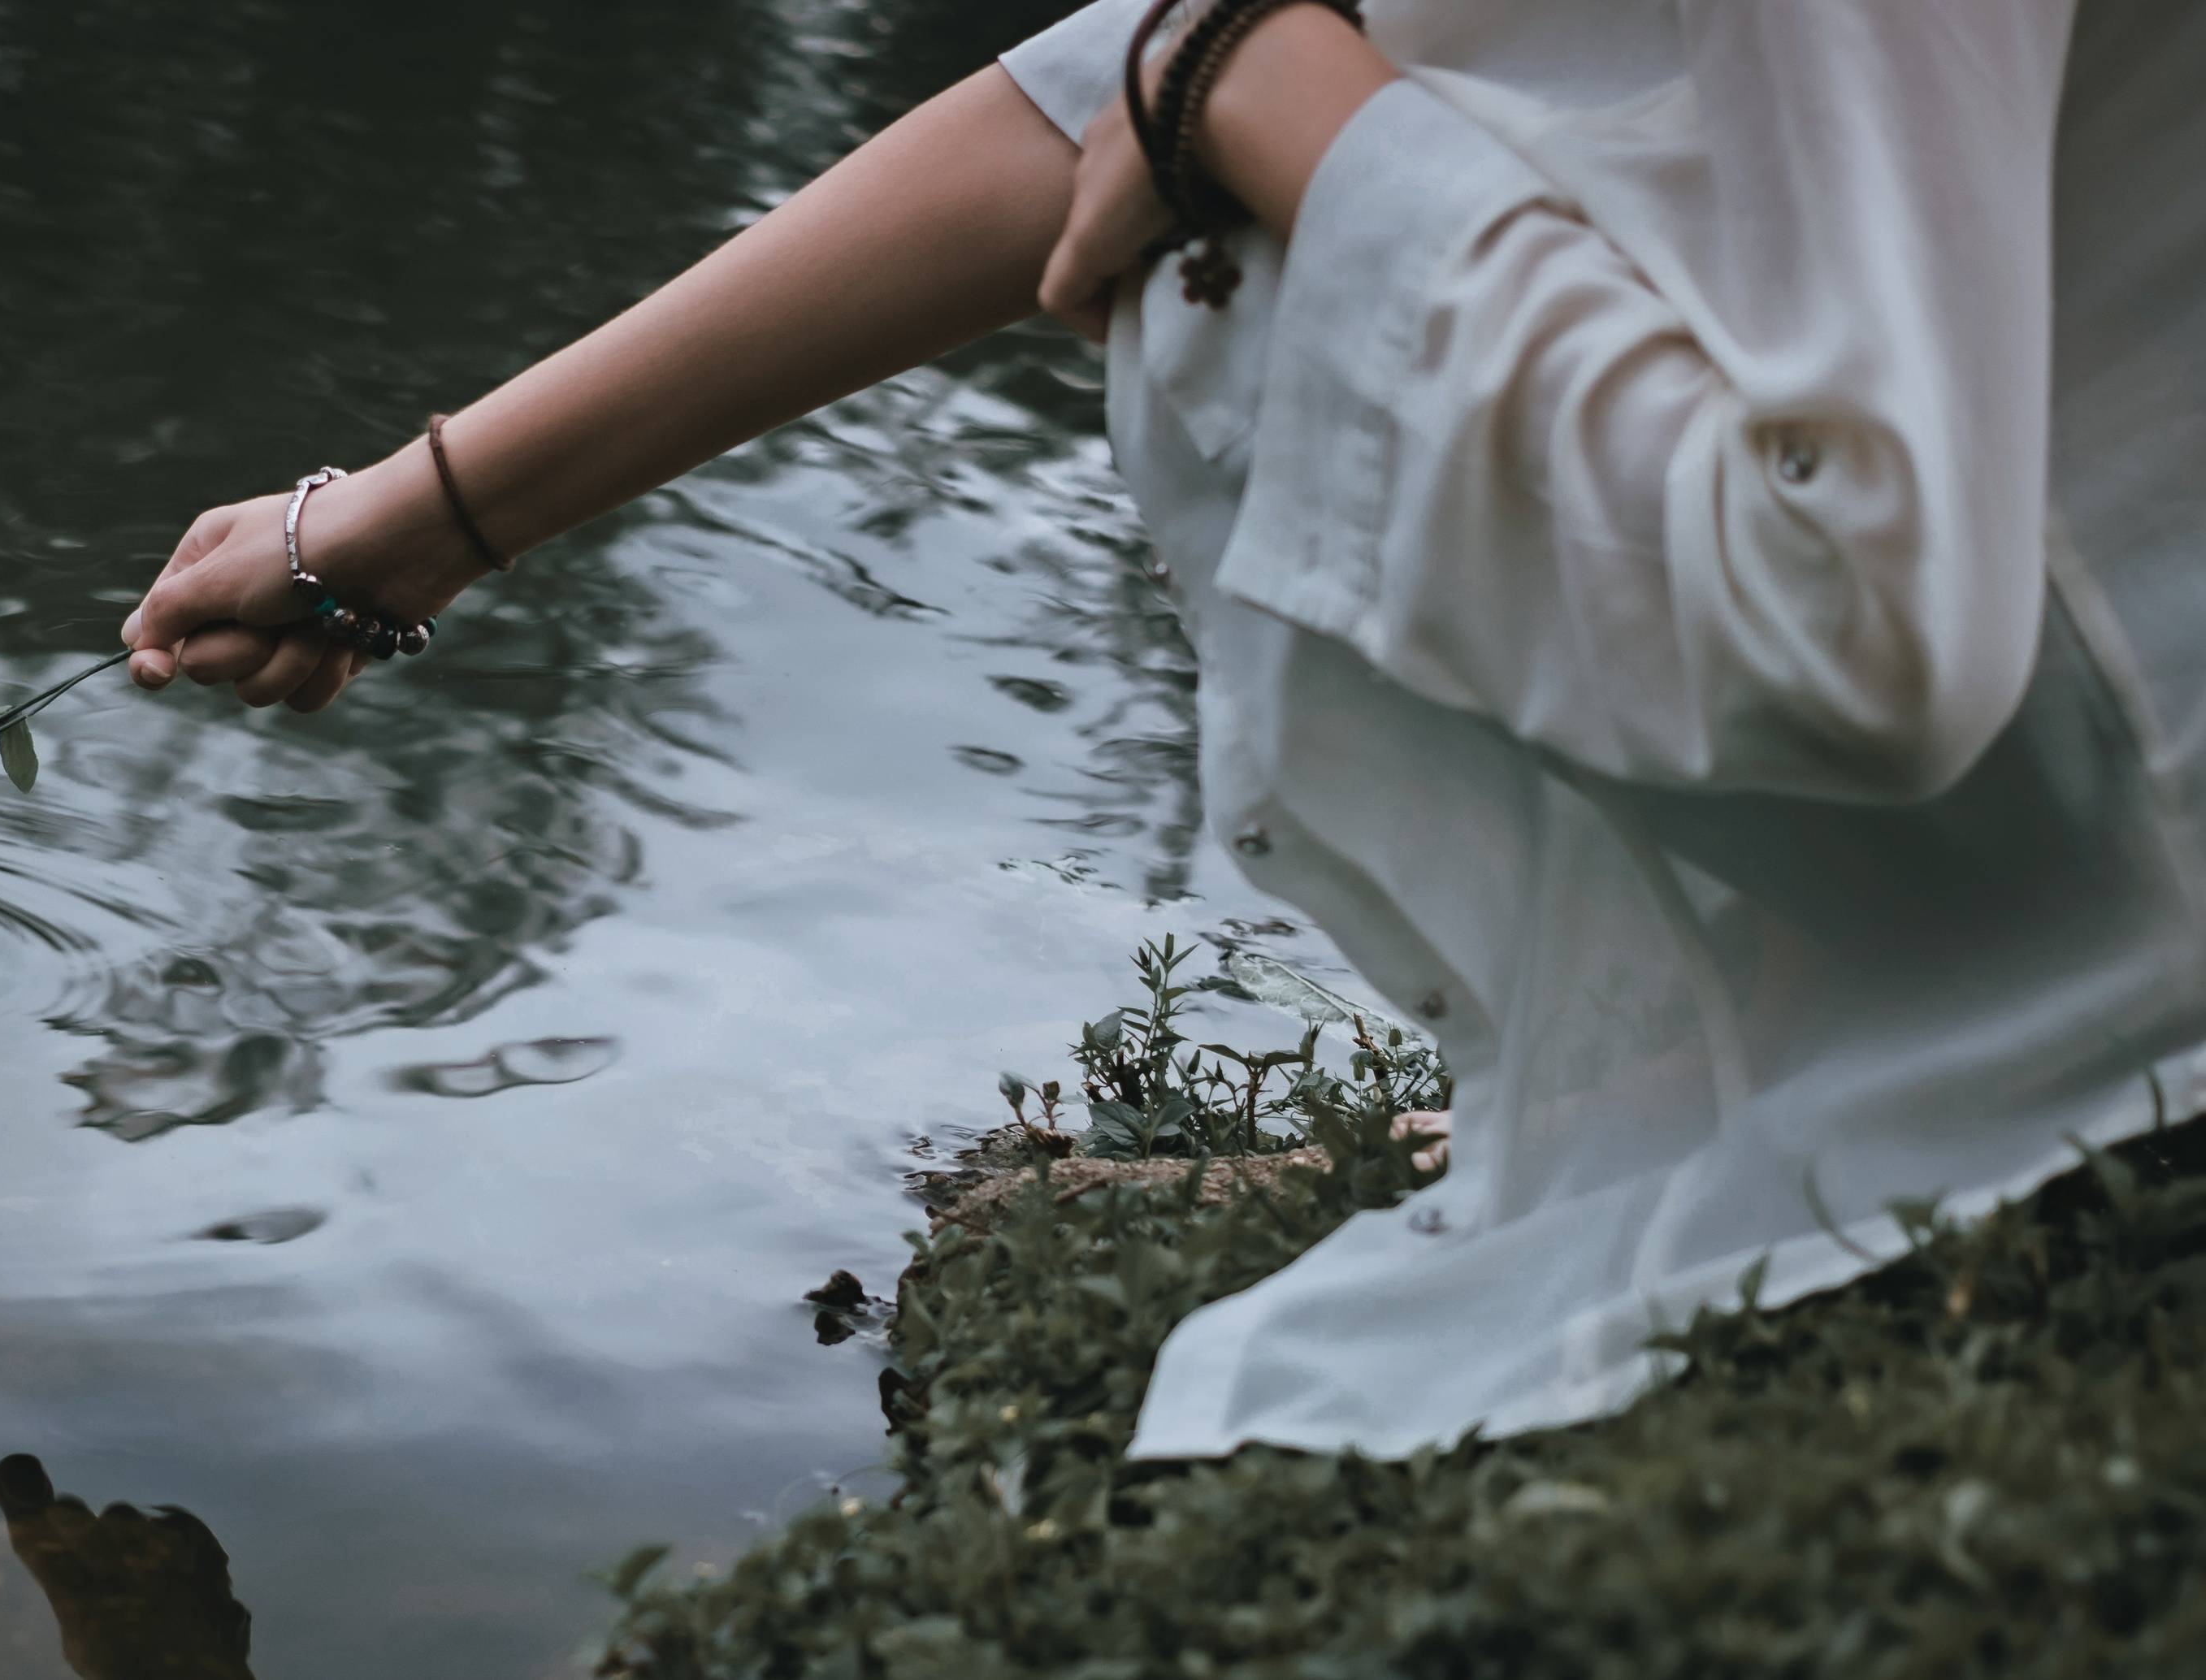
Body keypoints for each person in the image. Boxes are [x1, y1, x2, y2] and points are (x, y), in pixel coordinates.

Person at [115, 0, 2206, 1458]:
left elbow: (1866, 616)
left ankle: (1879, 1011)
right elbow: (1098, 84)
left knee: (1298, 197)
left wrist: (1272, 97)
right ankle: (1751, 985)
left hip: (2133, 897)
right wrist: (427, 517)